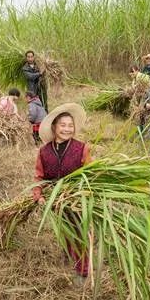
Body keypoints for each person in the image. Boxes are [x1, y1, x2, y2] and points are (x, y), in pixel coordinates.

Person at [32, 103, 92, 281]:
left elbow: (91, 175)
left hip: (78, 200)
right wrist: (39, 195)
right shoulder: (44, 152)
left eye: (70, 125)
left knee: (80, 233)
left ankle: (82, 271)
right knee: (64, 229)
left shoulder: (81, 148)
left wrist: (83, 193)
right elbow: (39, 176)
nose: (67, 129)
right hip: (56, 201)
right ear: (54, 127)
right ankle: (68, 253)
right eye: (63, 125)